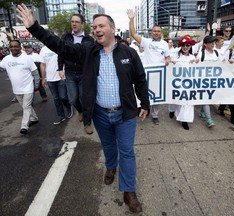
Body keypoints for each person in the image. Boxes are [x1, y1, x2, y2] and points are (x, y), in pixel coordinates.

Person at [17, 3, 149, 213]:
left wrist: (145, 103)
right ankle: (111, 166)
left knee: (127, 152)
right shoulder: (88, 51)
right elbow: (60, 46)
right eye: (94, 26)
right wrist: (34, 27)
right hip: (100, 114)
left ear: (112, 29)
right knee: (108, 147)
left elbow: (140, 79)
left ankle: (129, 191)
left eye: (101, 26)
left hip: (125, 113)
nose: (96, 29)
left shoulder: (128, 52)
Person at [127, 9, 170, 125]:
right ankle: (143, 108)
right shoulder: (146, 42)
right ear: (151, 32)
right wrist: (131, 19)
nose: (156, 32)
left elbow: (168, 57)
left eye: (158, 31)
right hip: (146, 73)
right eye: (154, 31)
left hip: (159, 74)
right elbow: (133, 34)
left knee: (157, 96)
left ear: (161, 33)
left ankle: (155, 115)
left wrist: (167, 60)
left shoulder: (165, 44)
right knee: (143, 93)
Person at [58, 14, 95, 134]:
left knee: (85, 99)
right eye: (72, 21)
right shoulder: (66, 37)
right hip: (69, 73)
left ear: (82, 24)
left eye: (77, 22)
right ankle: (80, 111)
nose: (74, 24)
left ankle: (87, 123)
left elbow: (91, 57)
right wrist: (60, 68)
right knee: (73, 99)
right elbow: (61, 52)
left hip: (84, 73)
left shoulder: (89, 40)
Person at [0, 40, 40, 134]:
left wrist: (37, 84)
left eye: (16, 46)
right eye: (12, 46)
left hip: (28, 87)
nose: (14, 48)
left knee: (26, 106)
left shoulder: (26, 58)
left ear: (20, 47)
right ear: (9, 48)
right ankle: (34, 118)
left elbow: (35, 73)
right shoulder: (6, 59)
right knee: (25, 106)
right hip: (16, 89)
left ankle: (24, 126)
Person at [169, 36, 198, 130]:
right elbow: (166, 61)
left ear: (190, 46)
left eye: (187, 45)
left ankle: (184, 120)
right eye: (183, 45)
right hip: (176, 82)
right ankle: (172, 110)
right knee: (175, 99)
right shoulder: (175, 55)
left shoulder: (193, 57)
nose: (185, 47)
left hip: (188, 83)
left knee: (187, 102)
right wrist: (171, 62)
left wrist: (197, 62)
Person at [39, 45, 73, 124]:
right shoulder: (43, 50)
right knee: (56, 98)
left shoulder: (59, 45)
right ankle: (61, 116)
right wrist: (43, 78)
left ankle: (68, 106)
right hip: (50, 78)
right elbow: (42, 65)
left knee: (63, 96)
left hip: (61, 76)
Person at [196, 35, 222, 128]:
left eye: (213, 42)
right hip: (204, 80)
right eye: (210, 42)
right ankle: (209, 119)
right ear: (205, 44)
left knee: (208, 97)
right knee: (206, 98)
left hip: (214, 80)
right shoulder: (201, 53)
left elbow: (223, 63)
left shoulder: (216, 53)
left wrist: (231, 61)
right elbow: (196, 65)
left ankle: (202, 112)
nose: (213, 44)